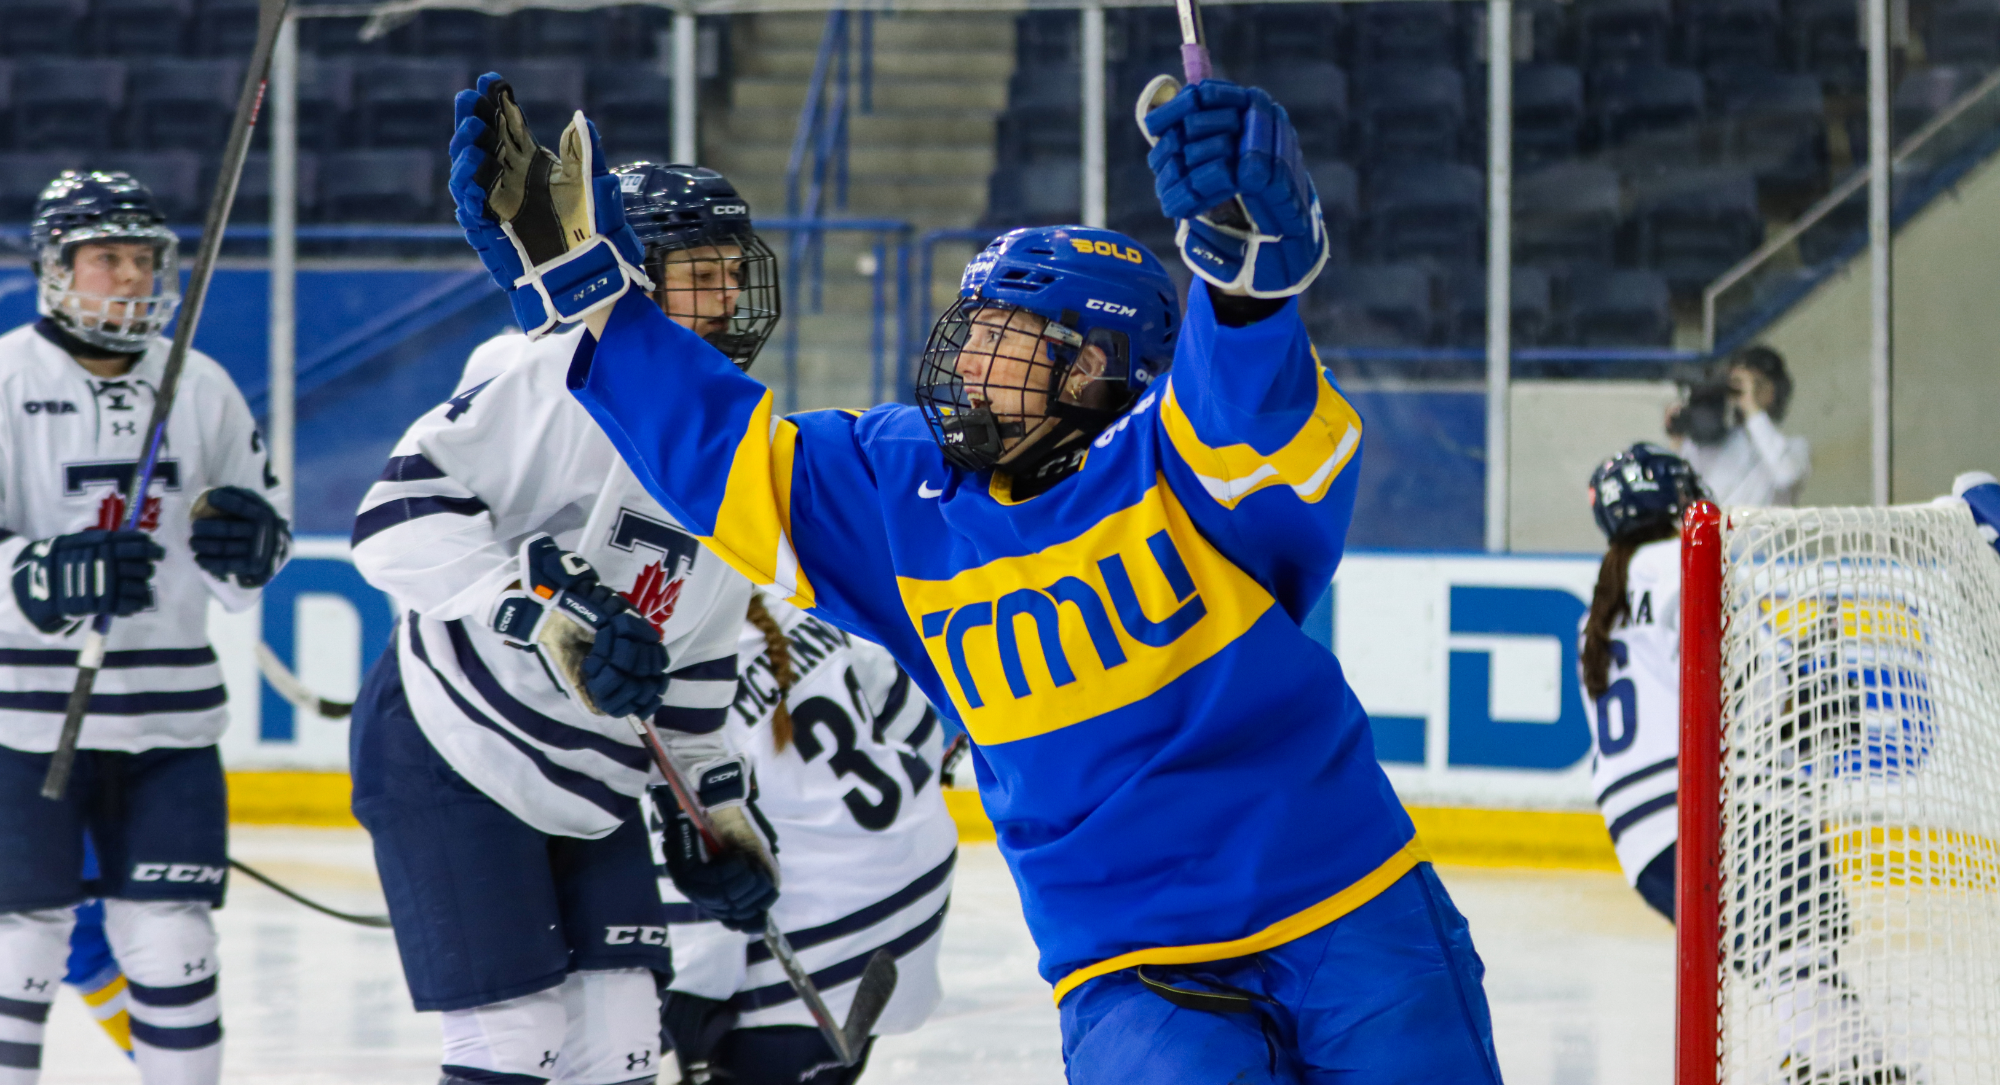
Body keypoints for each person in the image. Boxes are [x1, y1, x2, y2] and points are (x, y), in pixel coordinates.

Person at [447, 70, 1501, 1083]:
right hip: (1125, 958)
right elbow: (721, 447)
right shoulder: (898, 488)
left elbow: (1252, 406)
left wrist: (1245, 275)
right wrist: (595, 303)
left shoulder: (1177, 451)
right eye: (969, 325)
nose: (963, 356)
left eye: (1003, 335)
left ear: (1096, 364)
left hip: (1342, 900)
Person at [347, 156, 792, 1085]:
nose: (715, 298)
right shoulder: (557, 376)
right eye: (689, 273)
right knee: (513, 1043)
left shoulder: (742, 430)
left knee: (625, 1038)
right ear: (634, 276)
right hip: (457, 746)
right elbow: (393, 520)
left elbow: (699, 669)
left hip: (593, 783)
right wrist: (538, 612)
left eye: (726, 270)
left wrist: (716, 814)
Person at [0, 170, 291, 1085]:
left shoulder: (198, 382)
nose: (128, 277)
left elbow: (255, 536)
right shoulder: (5, 377)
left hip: (169, 723)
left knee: (172, 941)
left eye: (141, 258)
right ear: (56, 267)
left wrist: (252, 547)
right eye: (106, 258)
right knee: (19, 947)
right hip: (20, 720)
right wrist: (39, 573)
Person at [659, 590, 956, 1084]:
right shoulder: (798, 605)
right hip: (917, 897)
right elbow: (918, 730)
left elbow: (707, 883)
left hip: (813, 959)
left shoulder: (679, 682)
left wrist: (687, 1017)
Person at [1578, 443, 1705, 922]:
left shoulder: (1595, 614)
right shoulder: (1687, 561)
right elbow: (1764, 684)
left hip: (1641, 846)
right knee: (1808, 964)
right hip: (1708, 818)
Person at [1667, 346, 1810, 506]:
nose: (1748, 390)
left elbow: (1786, 475)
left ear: (1774, 391)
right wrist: (1677, 439)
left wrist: (1751, 407)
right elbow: (1677, 491)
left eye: (1757, 384)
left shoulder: (1796, 447)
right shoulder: (1716, 442)